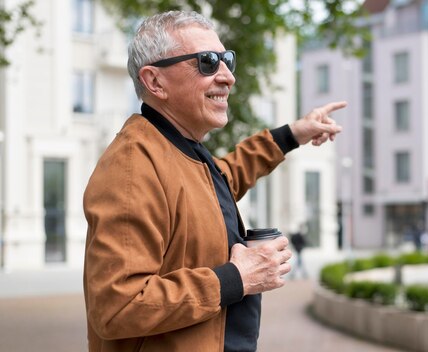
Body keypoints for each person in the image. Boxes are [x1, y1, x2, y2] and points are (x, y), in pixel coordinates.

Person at [82, 10, 346, 352]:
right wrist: (237, 278)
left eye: (227, 60)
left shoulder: (178, 148)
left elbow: (223, 180)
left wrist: (292, 135)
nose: (227, 77)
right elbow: (118, 306)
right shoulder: (132, 169)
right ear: (155, 82)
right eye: (207, 62)